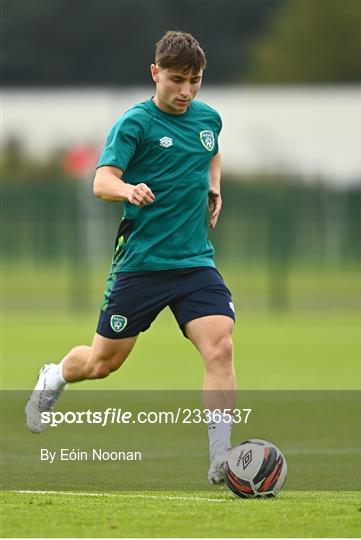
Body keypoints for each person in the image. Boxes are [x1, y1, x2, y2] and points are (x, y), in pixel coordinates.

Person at [25, 30, 236, 485]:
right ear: (155, 73)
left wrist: (214, 184)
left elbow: (211, 150)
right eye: (177, 80)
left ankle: (222, 456)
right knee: (103, 364)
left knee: (221, 348)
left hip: (195, 263)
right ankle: (55, 374)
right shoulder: (135, 123)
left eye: (195, 81)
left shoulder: (209, 118)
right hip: (141, 264)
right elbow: (102, 180)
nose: (185, 91)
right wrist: (128, 189)